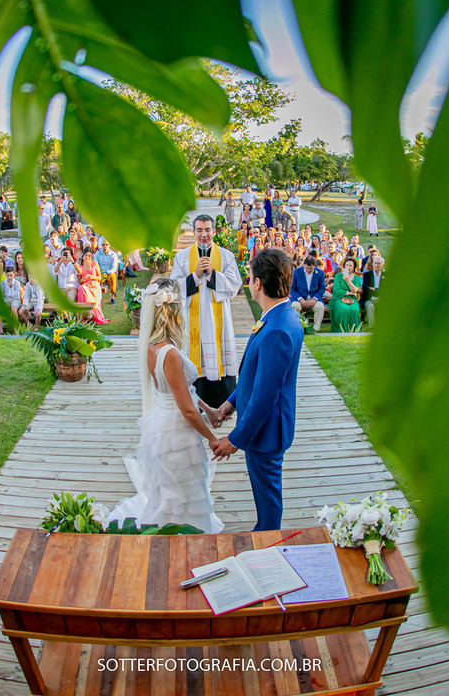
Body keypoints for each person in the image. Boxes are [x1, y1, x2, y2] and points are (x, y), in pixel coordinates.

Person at [105, 279, 224, 534]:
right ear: (172, 315)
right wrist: (212, 438)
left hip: (162, 422)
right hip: (177, 431)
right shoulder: (169, 353)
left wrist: (210, 409)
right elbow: (187, 409)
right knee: (182, 487)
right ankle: (183, 533)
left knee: (171, 489)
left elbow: (179, 390)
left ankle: (171, 530)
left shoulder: (151, 347)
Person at [206, 249, 302, 531]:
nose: (248, 281)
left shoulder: (278, 330)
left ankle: (268, 538)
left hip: (267, 432)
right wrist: (230, 403)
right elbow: (256, 375)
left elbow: (265, 396)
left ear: (258, 283)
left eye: (249, 276)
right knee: (264, 492)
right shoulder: (276, 317)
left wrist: (235, 439)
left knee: (268, 497)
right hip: (261, 427)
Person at [170, 215, 243, 406]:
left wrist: (213, 274)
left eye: (208, 230)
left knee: (217, 355)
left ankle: (221, 401)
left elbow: (235, 286)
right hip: (190, 320)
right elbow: (174, 287)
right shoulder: (182, 257)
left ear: (214, 231)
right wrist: (194, 276)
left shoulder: (226, 256)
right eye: (200, 230)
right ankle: (195, 402)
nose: (204, 235)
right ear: (193, 232)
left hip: (217, 319)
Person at [289, 253, 327, 331]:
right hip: (299, 298)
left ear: (314, 266)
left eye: (311, 269)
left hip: (314, 298)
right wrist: (300, 299)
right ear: (304, 265)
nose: (309, 270)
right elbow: (292, 289)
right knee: (295, 306)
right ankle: (298, 327)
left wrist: (315, 298)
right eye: (307, 268)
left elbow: (322, 288)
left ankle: (315, 329)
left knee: (320, 307)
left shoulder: (320, 273)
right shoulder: (296, 272)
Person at [329, 257, 363, 332]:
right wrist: (348, 292)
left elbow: (355, 290)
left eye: (350, 265)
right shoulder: (338, 276)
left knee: (354, 309)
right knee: (343, 309)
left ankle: (354, 330)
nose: (348, 267)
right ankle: (341, 330)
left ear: (354, 267)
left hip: (352, 298)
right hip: (339, 298)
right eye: (347, 265)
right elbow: (336, 290)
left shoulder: (356, 277)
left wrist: (348, 280)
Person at [76, 250, 108, 325]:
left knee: (82, 288)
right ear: (83, 256)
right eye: (86, 255)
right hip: (85, 285)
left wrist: (91, 277)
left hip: (94, 285)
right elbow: (79, 281)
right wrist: (84, 279)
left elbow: (99, 278)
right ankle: (86, 313)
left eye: (89, 255)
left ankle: (91, 313)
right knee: (82, 288)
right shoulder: (79, 266)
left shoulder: (94, 264)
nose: (87, 257)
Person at [94, 241, 120, 305]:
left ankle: (112, 297)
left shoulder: (113, 254)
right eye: (103, 245)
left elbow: (114, 267)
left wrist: (108, 272)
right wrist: (99, 272)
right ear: (101, 246)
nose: (105, 246)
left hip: (109, 272)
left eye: (106, 244)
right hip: (100, 272)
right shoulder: (98, 254)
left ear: (109, 245)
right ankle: (97, 297)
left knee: (113, 276)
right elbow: (95, 263)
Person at [360, 254, 384, 325]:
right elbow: (366, 290)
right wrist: (378, 290)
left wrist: (374, 289)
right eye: (375, 263)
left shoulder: (386, 275)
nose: (376, 265)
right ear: (372, 264)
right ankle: (372, 328)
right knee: (370, 306)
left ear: (382, 265)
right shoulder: (367, 275)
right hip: (369, 299)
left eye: (378, 263)